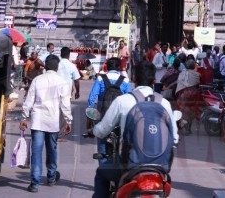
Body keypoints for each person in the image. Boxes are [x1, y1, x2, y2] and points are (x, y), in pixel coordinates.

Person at [91, 61, 179, 198]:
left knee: (102, 172)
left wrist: (94, 130)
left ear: (134, 79)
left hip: (130, 167)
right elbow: (174, 138)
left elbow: (102, 130)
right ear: (154, 81)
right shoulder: (165, 103)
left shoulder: (123, 101)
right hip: (160, 168)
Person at [20, 54, 72, 192]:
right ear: (57, 67)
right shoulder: (62, 82)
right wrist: (68, 120)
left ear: (45, 66)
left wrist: (24, 117)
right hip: (52, 121)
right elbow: (65, 104)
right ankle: (51, 177)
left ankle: (35, 183)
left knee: (36, 152)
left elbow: (29, 100)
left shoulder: (37, 80)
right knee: (52, 149)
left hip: (37, 121)